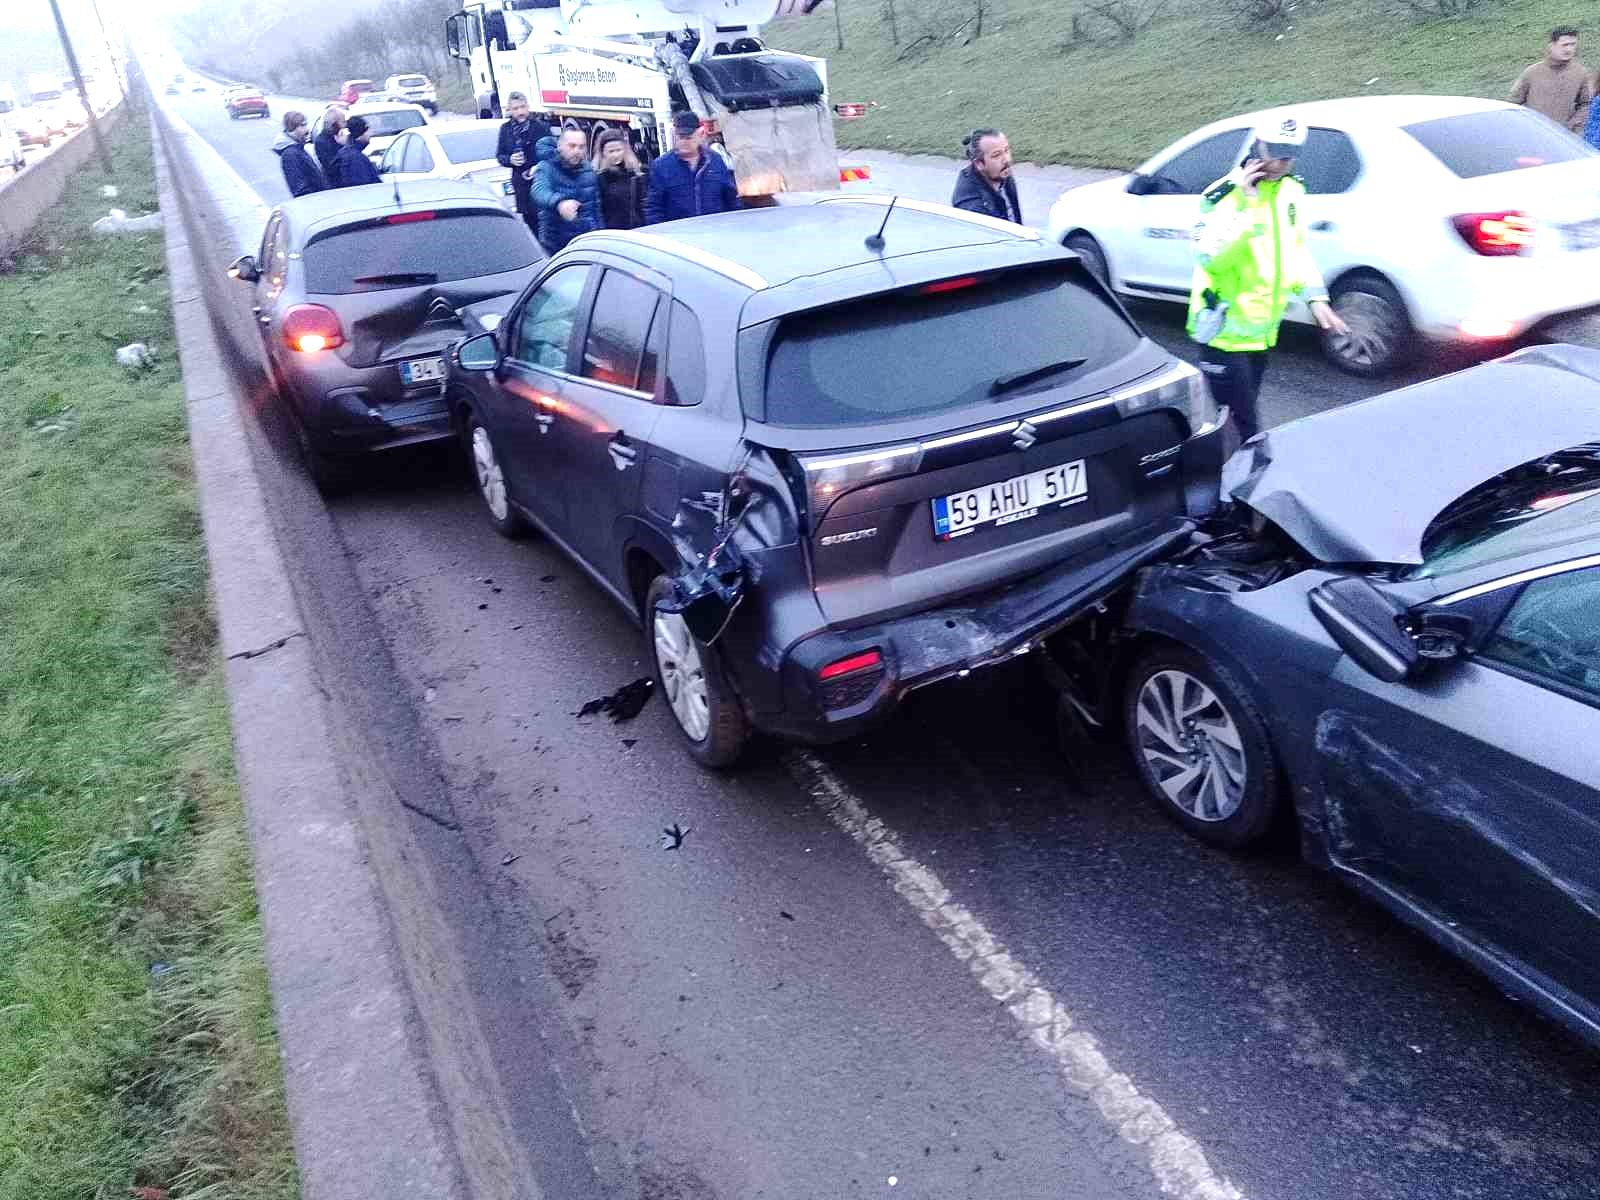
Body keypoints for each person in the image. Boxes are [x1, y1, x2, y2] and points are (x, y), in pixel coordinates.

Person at [1187, 116, 1350, 442]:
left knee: (1238, 428)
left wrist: (1315, 299)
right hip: (1222, 334)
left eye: (1288, 154)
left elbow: (1295, 251)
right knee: (1244, 428)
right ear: (1256, 145)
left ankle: (1230, 481)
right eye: (1274, 151)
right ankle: (1233, 486)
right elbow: (1212, 259)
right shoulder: (1221, 196)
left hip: (1260, 334)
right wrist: (1246, 206)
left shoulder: (1291, 191)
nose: (1279, 162)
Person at [644, 110, 740, 224]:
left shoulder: (715, 161)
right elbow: (654, 208)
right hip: (678, 235)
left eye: (688, 137)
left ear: (700, 135)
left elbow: (731, 199)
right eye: (680, 137)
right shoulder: (661, 166)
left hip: (715, 232)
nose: (684, 142)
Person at [531, 126, 599, 254]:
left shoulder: (589, 170)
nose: (577, 151)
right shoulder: (546, 167)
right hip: (557, 245)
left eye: (581, 147)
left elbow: (596, 209)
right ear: (560, 146)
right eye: (572, 146)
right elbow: (538, 190)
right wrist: (560, 203)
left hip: (587, 242)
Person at [1510, 26, 1592, 133]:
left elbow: (1586, 104)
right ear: (1551, 46)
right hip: (1533, 133)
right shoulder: (1532, 72)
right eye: (1565, 45)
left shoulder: (1580, 73)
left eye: (1573, 44)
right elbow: (1512, 104)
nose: (1569, 49)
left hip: (1564, 136)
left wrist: (1573, 125)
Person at [951, 128, 1022, 224]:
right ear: (979, 163)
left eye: (1006, 150)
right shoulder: (973, 207)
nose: (1006, 159)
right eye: (996, 155)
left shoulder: (1000, 173)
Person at [496, 91, 543, 232]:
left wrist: (538, 165)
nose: (520, 111)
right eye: (516, 109)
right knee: (529, 223)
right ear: (510, 110)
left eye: (522, 107)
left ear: (528, 107)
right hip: (520, 184)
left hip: (540, 180)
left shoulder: (540, 126)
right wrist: (510, 159)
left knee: (543, 221)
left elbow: (551, 153)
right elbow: (500, 155)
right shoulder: (505, 129)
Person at [593, 128, 645, 230]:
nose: (616, 155)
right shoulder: (599, 178)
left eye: (618, 150)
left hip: (636, 229)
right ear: (603, 152)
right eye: (611, 151)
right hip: (613, 232)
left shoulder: (634, 174)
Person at [271, 110, 327, 198]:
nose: (307, 129)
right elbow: (300, 189)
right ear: (292, 128)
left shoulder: (297, 149)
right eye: (303, 125)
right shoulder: (290, 155)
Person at [333, 115, 380, 187]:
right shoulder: (356, 158)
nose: (371, 134)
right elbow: (364, 187)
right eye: (368, 130)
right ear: (361, 133)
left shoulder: (346, 153)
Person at [313, 104, 346, 178]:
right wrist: (344, 146)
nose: (345, 125)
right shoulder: (322, 142)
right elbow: (332, 167)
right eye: (343, 122)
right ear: (334, 124)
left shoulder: (339, 136)